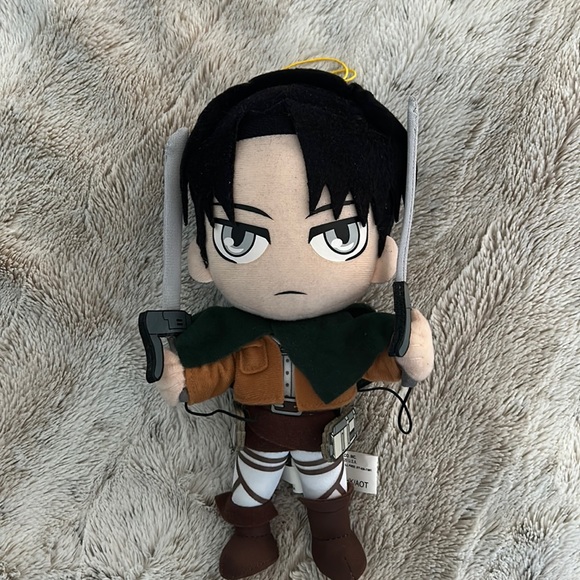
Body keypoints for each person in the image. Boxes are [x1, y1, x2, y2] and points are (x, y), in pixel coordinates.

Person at [157, 68, 434, 580]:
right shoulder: (230, 331)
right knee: (251, 488)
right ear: (201, 259)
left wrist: (409, 353)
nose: (287, 269)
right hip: (260, 437)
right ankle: (251, 534)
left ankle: (333, 533)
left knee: (327, 488)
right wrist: (184, 377)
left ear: (382, 259)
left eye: (339, 234)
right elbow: (214, 370)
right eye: (239, 236)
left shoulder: (353, 332)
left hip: (322, 434)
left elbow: (384, 362)